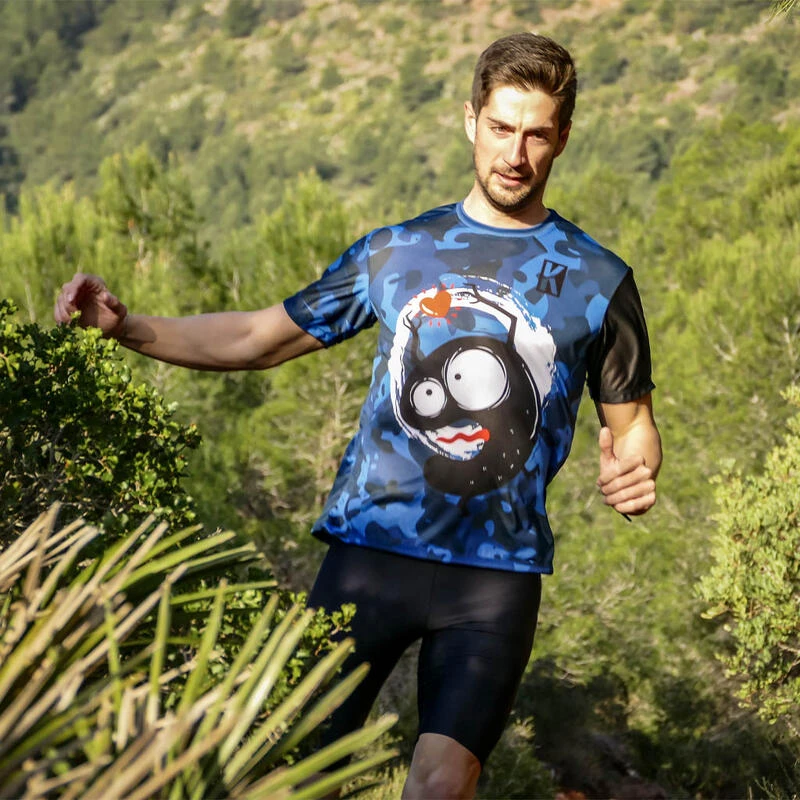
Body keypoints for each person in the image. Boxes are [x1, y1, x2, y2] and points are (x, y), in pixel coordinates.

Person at [55, 32, 661, 800]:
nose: (515, 153)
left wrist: (636, 469)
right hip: (369, 559)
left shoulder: (599, 280)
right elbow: (256, 339)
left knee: (441, 785)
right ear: (470, 120)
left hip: (495, 579)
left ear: (563, 137)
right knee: (294, 773)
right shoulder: (398, 251)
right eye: (501, 127)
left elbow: (632, 425)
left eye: (536, 134)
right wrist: (129, 328)